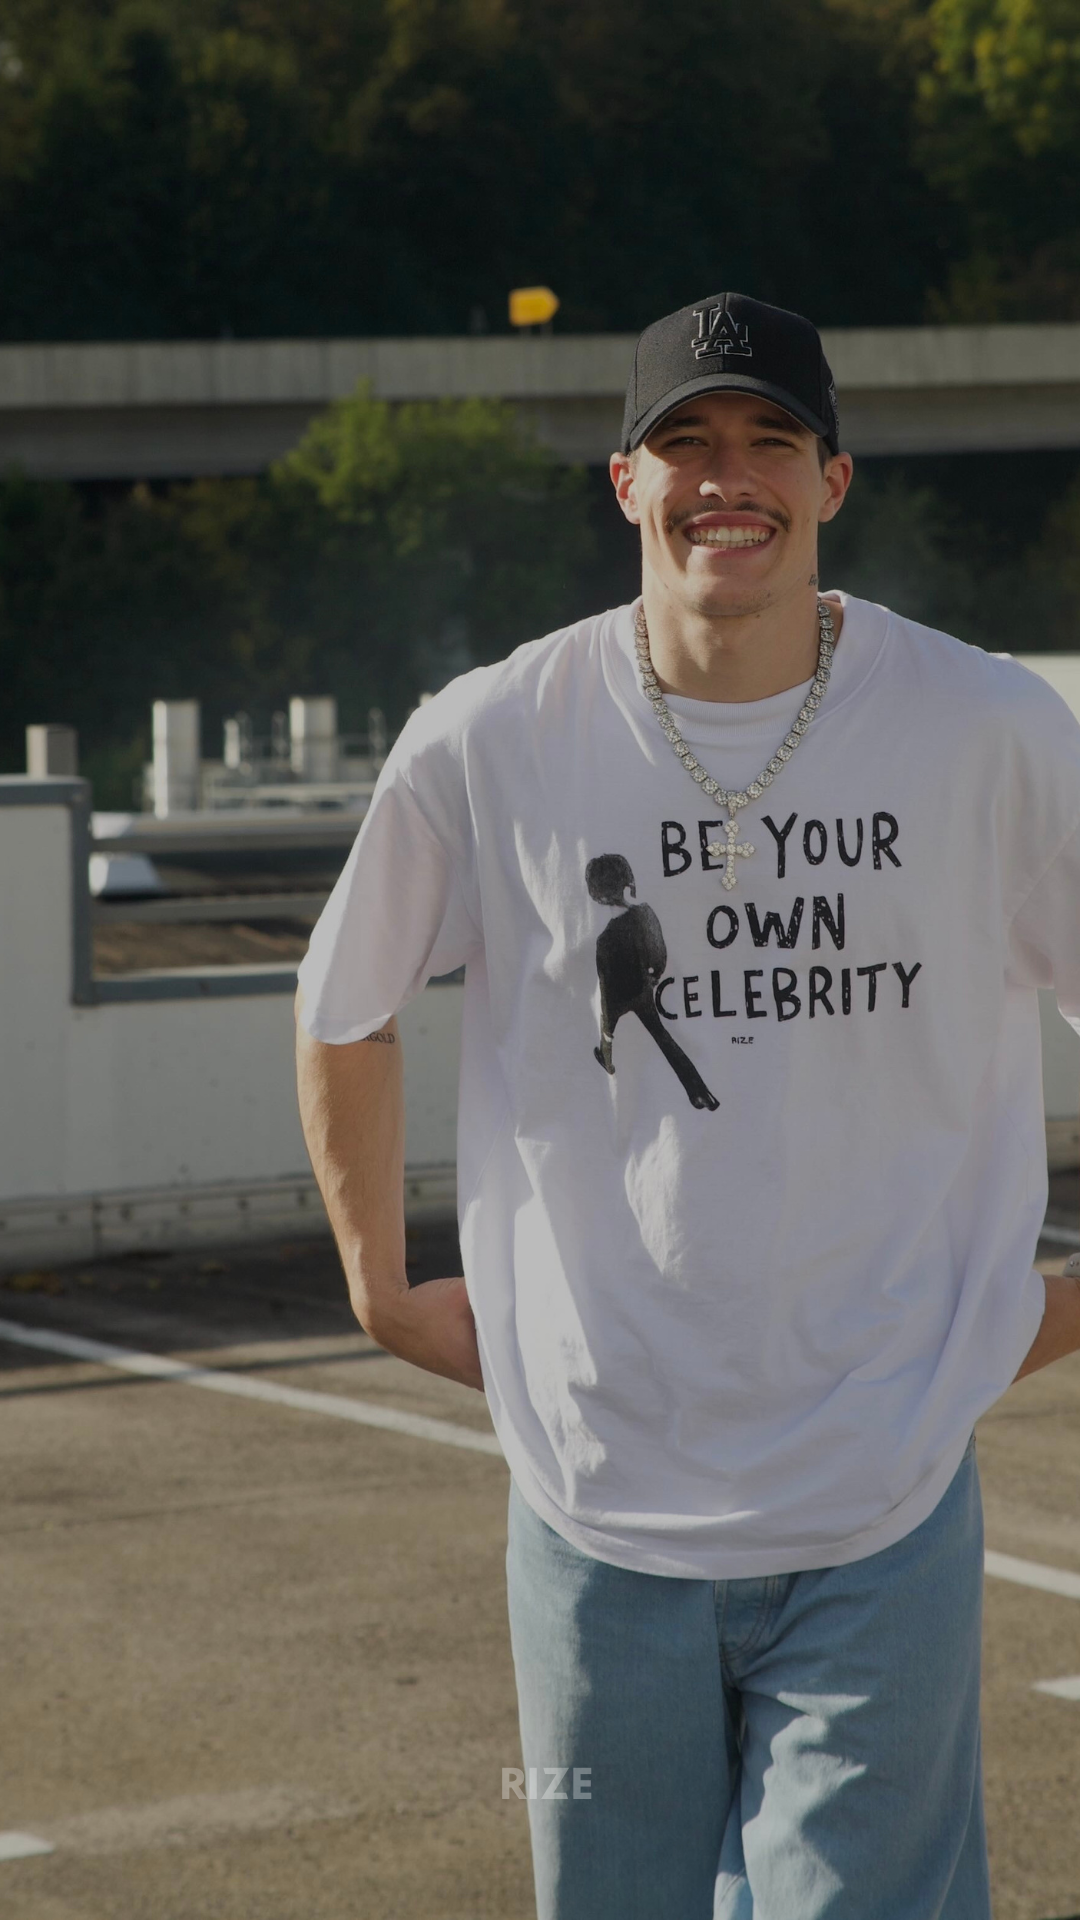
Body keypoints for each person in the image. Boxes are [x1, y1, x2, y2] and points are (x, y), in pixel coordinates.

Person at [295, 291, 1080, 1920]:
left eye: (771, 442)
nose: (731, 479)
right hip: (596, 1509)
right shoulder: (492, 736)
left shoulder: (991, 731)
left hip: (880, 1506)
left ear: (833, 480)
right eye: (687, 445)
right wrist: (375, 1285)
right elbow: (343, 1004)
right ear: (626, 484)